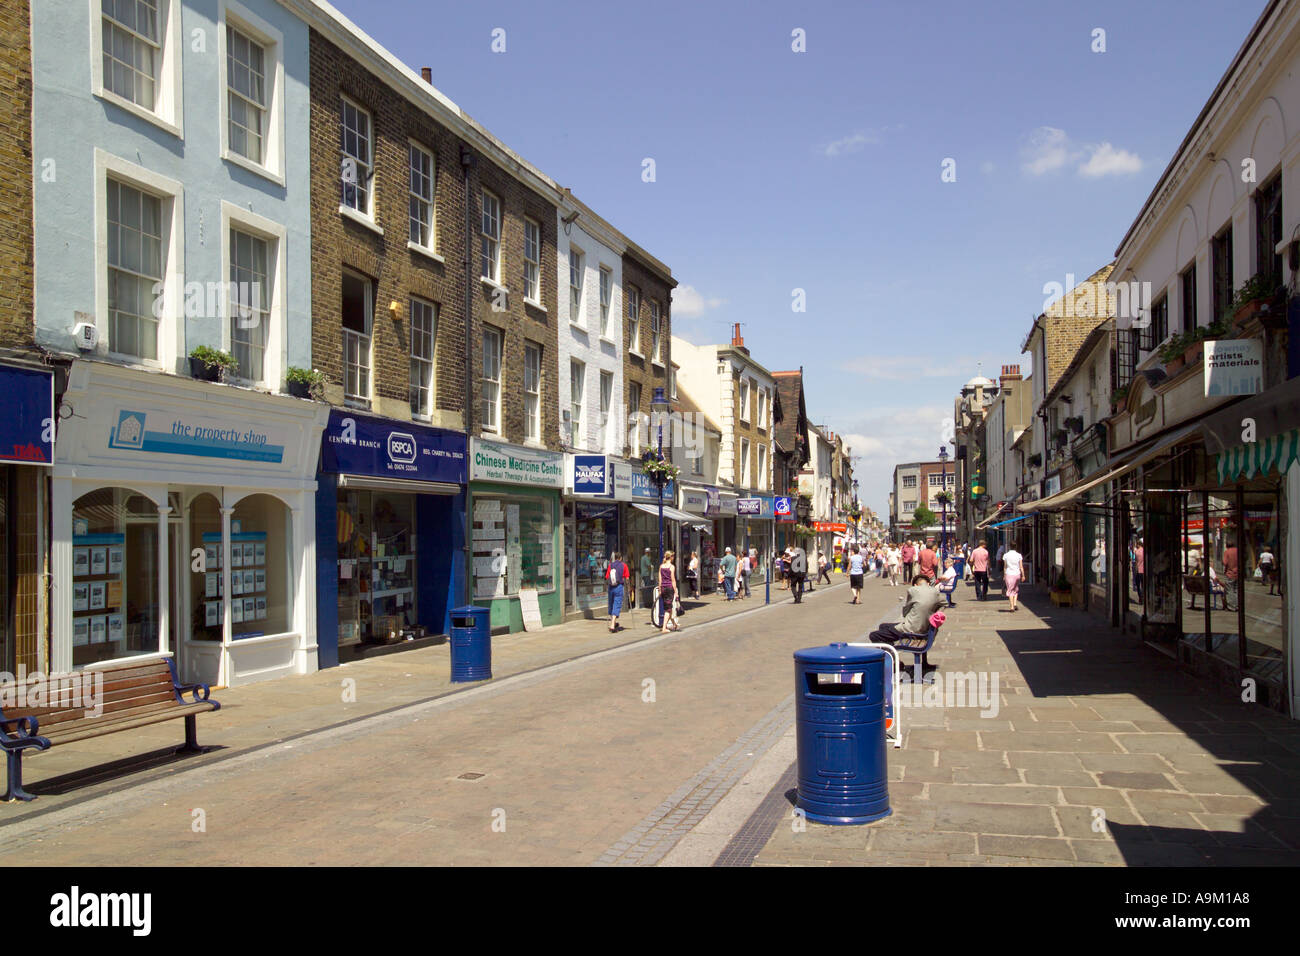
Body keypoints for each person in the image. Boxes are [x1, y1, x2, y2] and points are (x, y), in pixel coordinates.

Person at [868, 573, 944, 670]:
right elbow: (944, 604)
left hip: (912, 630)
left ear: (916, 585)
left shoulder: (913, 590)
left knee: (874, 635)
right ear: (928, 583)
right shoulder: (935, 592)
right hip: (926, 629)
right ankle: (892, 651)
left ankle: (893, 659)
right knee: (883, 626)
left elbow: (905, 612)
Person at [605, 550, 629, 632]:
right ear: (621, 558)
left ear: (615, 558)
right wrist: (628, 587)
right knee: (617, 604)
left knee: (611, 604)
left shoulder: (610, 565)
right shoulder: (624, 565)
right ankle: (612, 625)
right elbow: (627, 578)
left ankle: (613, 622)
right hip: (619, 586)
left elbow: (607, 576)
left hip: (611, 587)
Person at [659, 551, 680, 632]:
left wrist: (660, 590)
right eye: (673, 556)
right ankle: (664, 628)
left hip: (663, 588)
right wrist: (676, 591)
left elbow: (660, 580)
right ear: (671, 557)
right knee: (668, 609)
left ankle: (674, 624)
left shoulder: (661, 566)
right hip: (669, 588)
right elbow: (673, 580)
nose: (673, 558)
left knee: (668, 607)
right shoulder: (671, 567)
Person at [1003, 541, 1024, 612]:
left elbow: (1005, 567)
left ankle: (1011, 607)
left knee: (1010, 590)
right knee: (1015, 589)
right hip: (1017, 574)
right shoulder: (1019, 555)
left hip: (1009, 574)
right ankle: (1015, 603)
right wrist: (1023, 575)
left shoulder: (1006, 555)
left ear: (1010, 546)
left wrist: (1004, 575)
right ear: (1016, 547)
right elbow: (1021, 566)